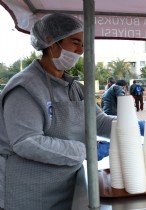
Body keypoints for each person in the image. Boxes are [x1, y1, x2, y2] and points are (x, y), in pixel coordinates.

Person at [0, 13, 116, 210]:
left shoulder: (74, 87)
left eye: (83, 44)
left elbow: (98, 121)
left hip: (66, 188)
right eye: (75, 42)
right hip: (28, 195)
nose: (81, 50)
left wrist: (130, 126)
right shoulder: (25, 87)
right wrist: (86, 150)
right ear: (50, 41)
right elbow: (26, 142)